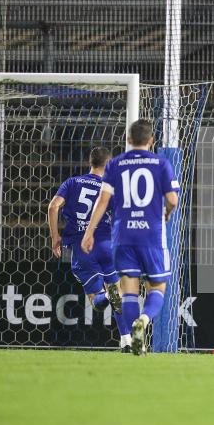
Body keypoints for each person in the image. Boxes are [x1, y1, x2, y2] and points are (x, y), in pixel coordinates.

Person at [81, 120, 180, 356]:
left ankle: (136, 343)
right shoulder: (161, 163)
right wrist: (166, 213)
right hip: (151, 236)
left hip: (123, 236)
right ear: (151, 141)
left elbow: (102, 202)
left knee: (128, 291)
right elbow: (173, 199)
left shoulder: (115, 164)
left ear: (128, 140)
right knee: (157, 286)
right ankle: (144, 320)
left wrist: (89, 232)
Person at [48, 147, 131, 352]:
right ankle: (127, 340)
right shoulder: (109, 187)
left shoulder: (72, 182)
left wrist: (55, 237)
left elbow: (53, 207)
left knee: (96, 301)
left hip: (82, 248)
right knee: (116, 292)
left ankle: (108, 297)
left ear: (90, 162)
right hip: (106, 245)